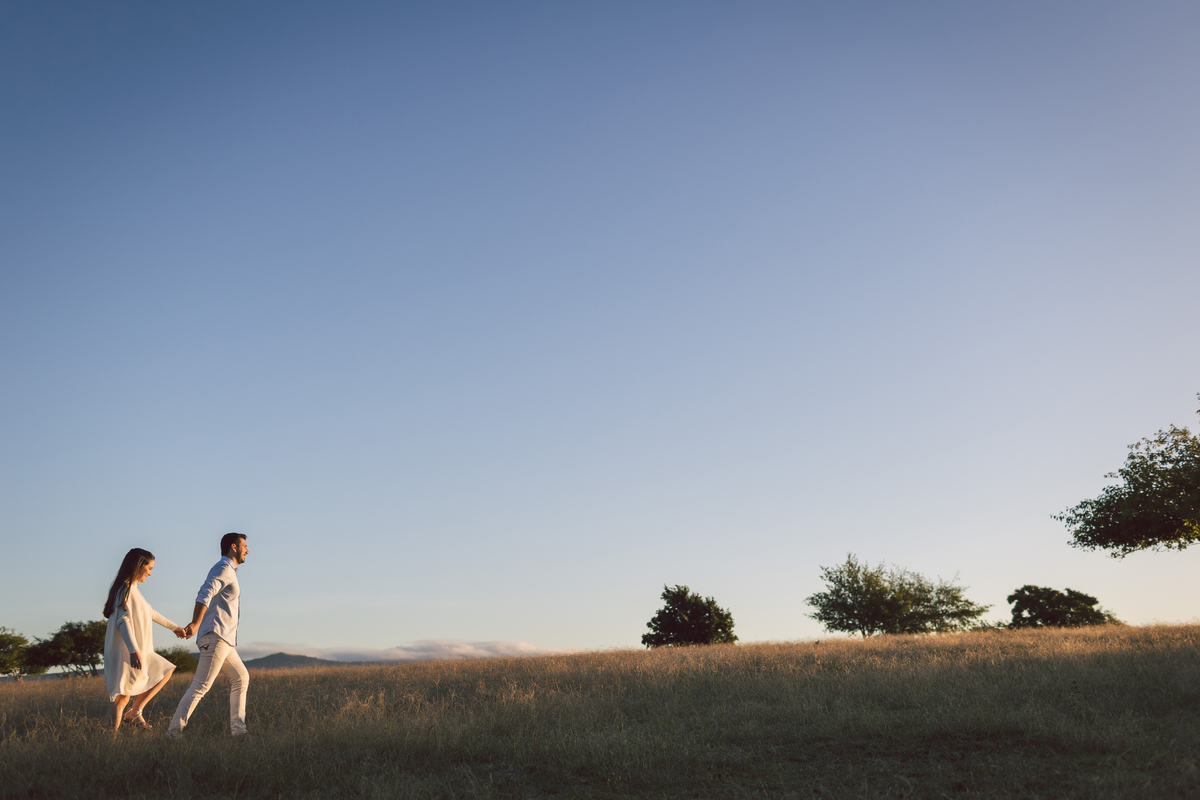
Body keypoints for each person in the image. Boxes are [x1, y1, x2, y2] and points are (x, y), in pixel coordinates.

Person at [167, 532, 250, 738]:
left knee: (241, 678)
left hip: (224, 639)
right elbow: (205, 593)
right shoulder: (223, 568)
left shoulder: (229, 570)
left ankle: (239, 733)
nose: (247, 550)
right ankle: (173, 734)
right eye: (244, 546)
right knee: (200, 686)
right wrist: (195, 623)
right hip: (215, 636)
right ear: (233, 547)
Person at [102, 548, 188, 732]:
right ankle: (107, 745)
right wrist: (134, 651)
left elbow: (151, 612)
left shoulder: (133, 590)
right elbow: (122, 621)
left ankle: (136, 711)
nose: (150, 573)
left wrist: (175, 628)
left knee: (165, 671)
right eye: (149, 568)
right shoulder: (124, 590)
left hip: (140, 651)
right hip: (128, 652)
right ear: (138, 566)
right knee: (121, 699)